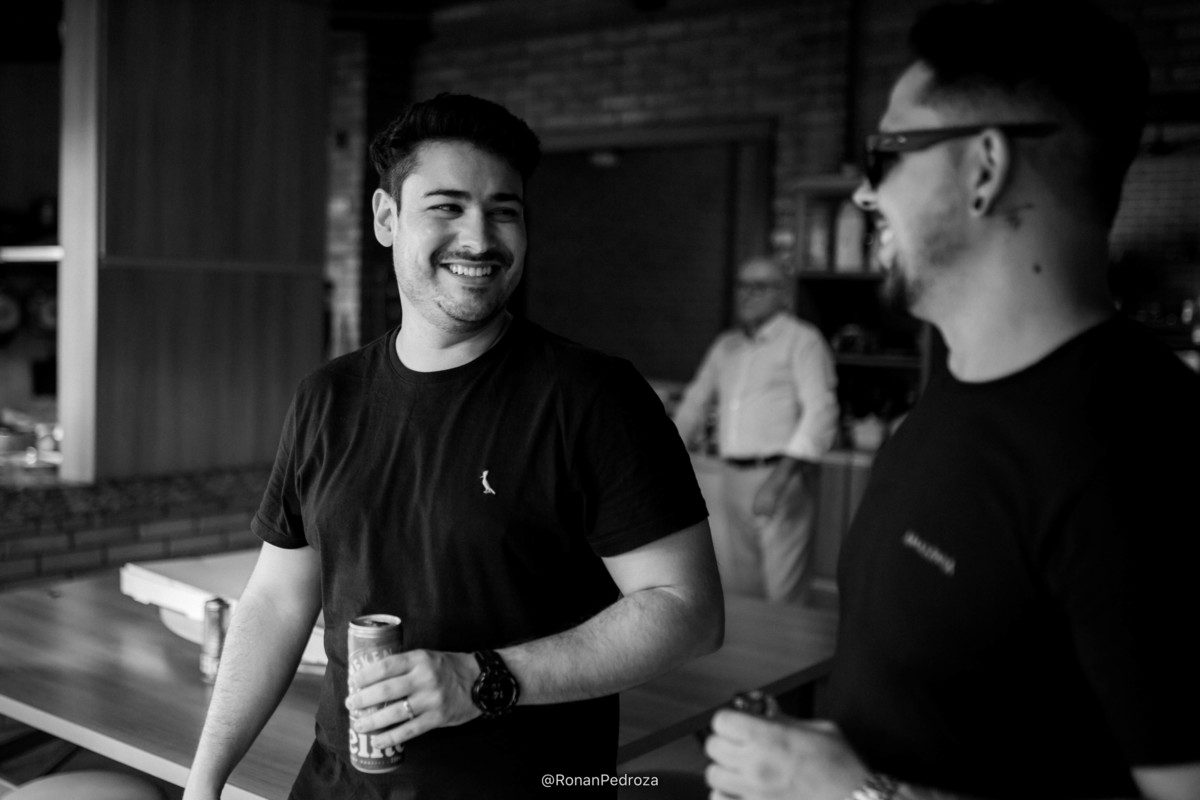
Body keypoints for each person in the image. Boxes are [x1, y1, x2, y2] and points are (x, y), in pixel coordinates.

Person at [705, 2, 1200, 799]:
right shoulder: (947, 406)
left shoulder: (1143, 455)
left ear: (983, 169)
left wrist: (858, 794)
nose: (865, 197)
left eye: (886, 156)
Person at [183, 93, 724, 800]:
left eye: (504, 211)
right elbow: (278, 602)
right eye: (447, 206)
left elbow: (688, 610)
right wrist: (204, 782)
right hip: (338, 786)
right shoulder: (328, 398)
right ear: (386, 218)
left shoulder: (593, 397)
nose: (479, 238)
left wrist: (484, 678)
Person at [672, 256, 839, 604]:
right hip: (732, 477)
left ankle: (788, 643)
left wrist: (778, 482)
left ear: (784, 294)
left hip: (779, 478)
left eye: (759, 286)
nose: (747, 294)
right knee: (740, 588)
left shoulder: (802, 340)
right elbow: (693, 404)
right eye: (743, 285)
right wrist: (663, 456)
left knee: (783, 593)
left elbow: (821, 412)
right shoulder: (726, 345)